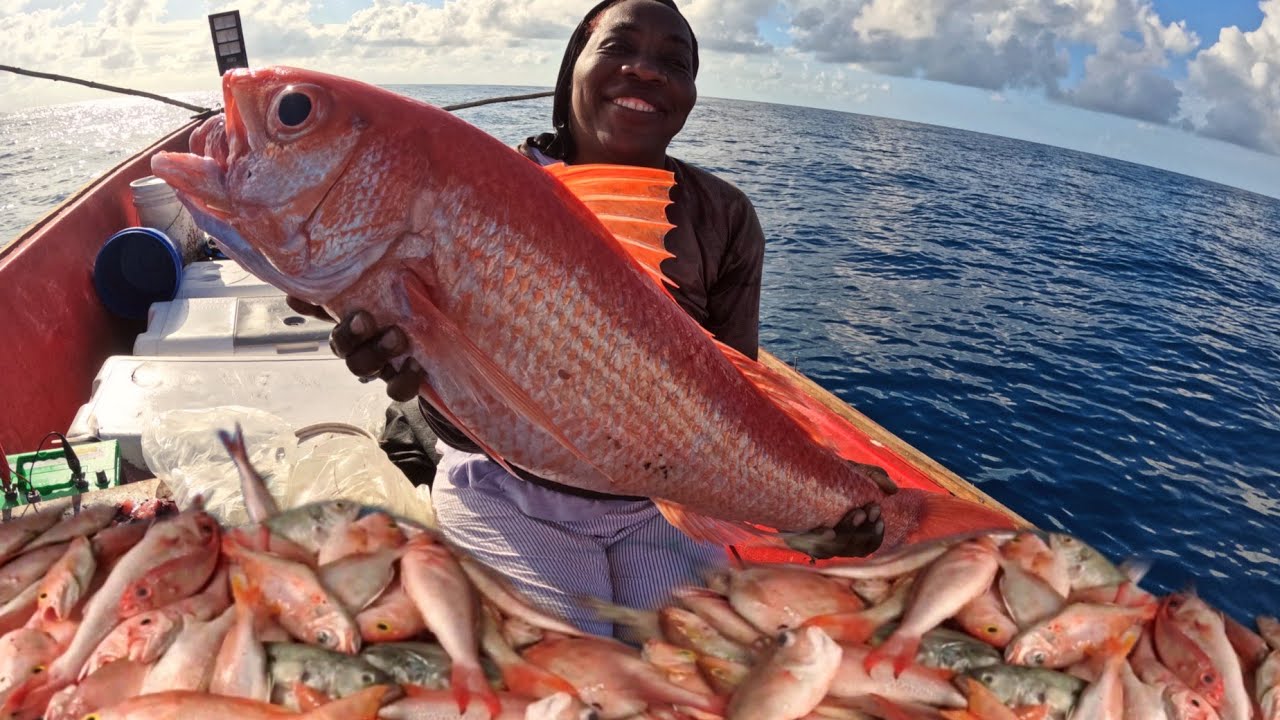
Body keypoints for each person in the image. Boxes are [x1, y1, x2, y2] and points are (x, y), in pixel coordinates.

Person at [293, 0, 882, 636]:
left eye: (674, 62)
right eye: (619, 47)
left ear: (689, 93)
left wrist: (814, 502)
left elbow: (740, 394)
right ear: (573, 63)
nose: (646, 70)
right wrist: (408, 361)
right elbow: (465, 412)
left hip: (666, 506)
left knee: (679, 677)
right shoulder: (483, 191)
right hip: (506, 490)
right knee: (569, 677)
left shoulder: (727, 215)